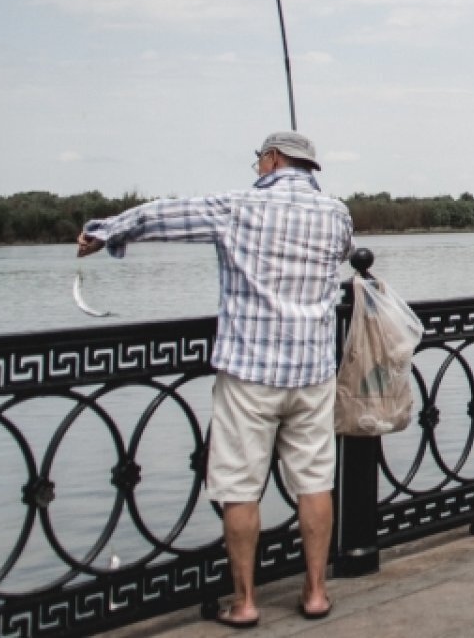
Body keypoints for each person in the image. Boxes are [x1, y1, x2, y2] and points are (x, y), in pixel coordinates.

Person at [77, 131, 354, 629]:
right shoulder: (337, 213)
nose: (255, 168)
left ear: (272, 159)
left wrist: (105, 231)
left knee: (240, 488)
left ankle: (245, 602)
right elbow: (341, 257)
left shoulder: (238, 207)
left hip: (250, 373)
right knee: (315, 483)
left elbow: (163, 216)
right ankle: (315, 593)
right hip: (313, 373)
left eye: (258, 160)